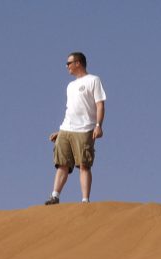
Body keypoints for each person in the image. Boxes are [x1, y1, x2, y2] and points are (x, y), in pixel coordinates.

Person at [45, 52, 107, 205]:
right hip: (67, 128)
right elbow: (70, 109)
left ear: (78, 63)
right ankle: (55, 196)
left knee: (84, 165)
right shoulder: (70, 86)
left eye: (69, 63)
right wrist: (60, 131)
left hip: (85, 128)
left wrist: (99, 125)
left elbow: (100, 104)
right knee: (62, 164)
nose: (67, 66)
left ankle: (85, 200)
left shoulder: (93, 80)